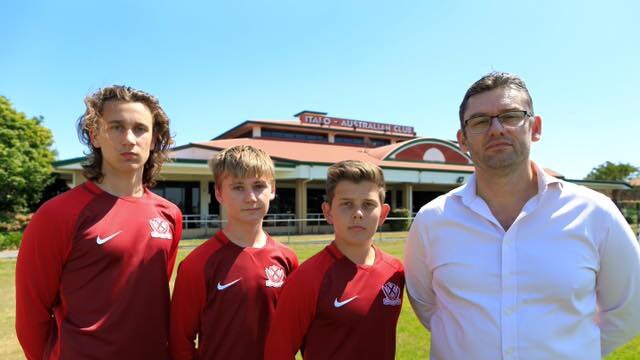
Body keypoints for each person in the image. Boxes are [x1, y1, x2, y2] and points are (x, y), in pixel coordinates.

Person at [405, 71, 640, 360]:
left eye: (511, 116)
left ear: (535, 127)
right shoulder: (431, 220)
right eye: (479, 121)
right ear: (462, 140)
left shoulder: (595, 213)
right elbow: (426, 305)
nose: (496, 129)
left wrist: (577, 350)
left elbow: (630, 308)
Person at [15, 85, 183, 359]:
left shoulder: (169, 214)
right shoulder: (57, 214)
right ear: (95, 136)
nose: (129, 139)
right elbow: (31, 315)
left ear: (153, 140)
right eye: (116, 127)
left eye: (140, 129)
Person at [265, 160, 404, 360]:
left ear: (383, 214)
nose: (358, 213)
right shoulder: (307, 278)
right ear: (328, 212)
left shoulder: (396, 272)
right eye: (347, 204)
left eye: (368, 204)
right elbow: (278, 352)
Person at [169, 145, 299, 360]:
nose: (250, 197)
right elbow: (180, 339)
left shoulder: (287, 259)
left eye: (258, 186)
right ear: (219, 193)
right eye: (238, 187)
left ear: (273, 189)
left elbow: (296, 330)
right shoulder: (199, 263)